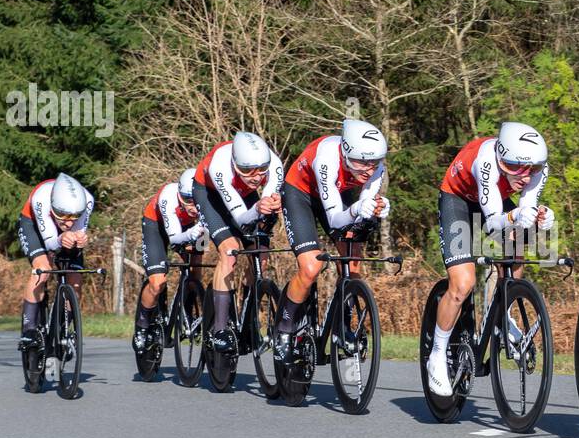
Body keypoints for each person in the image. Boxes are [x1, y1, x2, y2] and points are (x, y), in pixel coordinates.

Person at [426, 121, 554, 396]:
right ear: (501, 159)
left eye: (532, 169)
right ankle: (437, 354)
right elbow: (496, 221)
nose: (525, 175)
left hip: (495, 201)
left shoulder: (536, 170)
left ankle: (502, 313)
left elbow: (525, 208)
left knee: (517, 245)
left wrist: (538, 216)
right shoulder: (486, 162)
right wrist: (516, 217)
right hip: (458, 200)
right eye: (517, 168)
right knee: (462, 284)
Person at [274, 119, 390, 381]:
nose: (368, 168)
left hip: (340, 196)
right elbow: (337, 218)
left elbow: (363, 209)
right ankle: (284, 327)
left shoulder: (374, 168)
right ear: (346, 152)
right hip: (301, 194)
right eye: (361, 161)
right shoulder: (326, 158)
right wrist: (358, 209)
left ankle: (342, 326)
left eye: (374, 162)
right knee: (311, 266)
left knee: (353, 265)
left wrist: (376, 209)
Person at [191, 131, 284, 353]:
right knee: (230, 250)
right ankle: (220, 330)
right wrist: (259, 208)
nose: (255, 176)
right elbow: (242, 218)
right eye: (246, 170)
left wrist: (271, 204)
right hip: (209, 195)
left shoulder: (275, 165)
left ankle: (247, 315)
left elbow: (266, 201)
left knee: (260, 254)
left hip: (243, 195)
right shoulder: (220, 166)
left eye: (261, 170)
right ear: (234, 163)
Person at [16, 173, 95, 350]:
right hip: (34, 227)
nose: (68, 222)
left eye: (74, 216)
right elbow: (51, 241)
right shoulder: (41, 197)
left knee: (75, 278)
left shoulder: (87, 200)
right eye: (62, 215)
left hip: (60, 235)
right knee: (42, 270)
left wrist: (79, 240)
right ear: (53, 207)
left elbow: (77, 232)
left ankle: (63, 328)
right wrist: (62, 239)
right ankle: (29, 331)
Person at [134, 168, 207, 353]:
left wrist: (198, 240)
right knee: (158, 282)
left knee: (196, 269)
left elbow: (203, 239)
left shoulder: (204, 204)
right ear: (180, 196)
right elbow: (174, 239)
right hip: (156, 226)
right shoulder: (168, 196)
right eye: (188, 201)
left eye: (197, 201)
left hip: (193, 228)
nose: (193, 206)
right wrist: (191, 234)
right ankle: (142, 327)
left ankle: (188, 315)